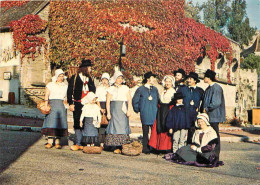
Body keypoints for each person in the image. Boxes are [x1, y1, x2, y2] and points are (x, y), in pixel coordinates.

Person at [67, 59, 96, 151]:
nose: (89, 69)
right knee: (77, 122)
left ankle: (85, 141)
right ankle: (78, 142)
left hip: (87, 104)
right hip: (78, 103)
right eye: (88, 68)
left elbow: (93, 90)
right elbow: (69, 91)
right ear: (83, 68)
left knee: (86, 122)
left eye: (90, 67)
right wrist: (71, 103)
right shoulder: (75, 78)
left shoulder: (90, 78)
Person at [104, 71, 132, 154]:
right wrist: (108, 113)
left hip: (123, 110)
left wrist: (129, 110)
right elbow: (108, 102)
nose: (120, 80)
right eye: (118, 78)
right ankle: (114, 146)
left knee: (123, 126)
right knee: (114, 127)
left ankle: (123, 145)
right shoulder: (111, 89)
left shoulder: (125, 88)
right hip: (114, 110)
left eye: (121, 78)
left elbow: (129, 100)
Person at [200, 69, 225, 159]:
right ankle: (209, 154)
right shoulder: (208, 88)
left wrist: (206, 108)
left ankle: (215, 155)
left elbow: (216, 102)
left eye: (205, 77)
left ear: (209, 78)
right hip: (208, 116)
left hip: (214, 116)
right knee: (208, 136)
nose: (203, 78)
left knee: (214, 136)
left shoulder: (216, 88)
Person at [132, 71, 159, 154]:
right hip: (145, 112)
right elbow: (135, 100)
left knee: (154, 131)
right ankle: (145, 147)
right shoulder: (140, 89)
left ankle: (154, 147)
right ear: (148, 79)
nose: (154, 79)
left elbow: (158, 100)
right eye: (152, 78)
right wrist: (139, 109)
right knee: (145, 131)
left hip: (154, 112)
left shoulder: (155, 89)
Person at [42, 69, 68, 149]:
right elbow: (46, 95)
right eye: (59, 76)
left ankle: (57, 142)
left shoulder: (65, 86)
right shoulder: (50, 85)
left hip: (61, 106)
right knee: (51, 122)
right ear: (56, 76)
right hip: (52, 104)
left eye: (62, 76)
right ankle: (50, 142)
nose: (61, 78)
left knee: (59, 123)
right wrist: (46, 105)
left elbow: (65, 97)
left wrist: (66, 105)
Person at [149, 75, 175, 153]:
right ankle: (159, 147)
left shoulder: (173, 92)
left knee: (166, 127)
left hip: (168, 110)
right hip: (161, 110)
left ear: (172, 83)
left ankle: (166, 147)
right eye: (166, 81)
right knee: (159, 127)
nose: (167, 83)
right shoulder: (163, 91)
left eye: (169, 82)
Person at [186, 72, 204, 144]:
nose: (188, 80)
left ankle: (192, 145)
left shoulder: (200, 91)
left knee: (193, 130)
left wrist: (200, 109)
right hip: (185, 113)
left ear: (195, 80)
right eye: (188, 79)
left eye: (190, 79)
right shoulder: (185, 89)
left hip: (195, 113)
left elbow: (204, 101)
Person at [96, 72, 110, 147]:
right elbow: (97, 99)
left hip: (108, 105)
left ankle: (107, 142)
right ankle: (101, 142)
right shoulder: (99, 88)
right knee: (101, 124)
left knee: (108, 124)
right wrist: (100, 108)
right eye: (103, 79)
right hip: (100, 105)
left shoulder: (110, 88)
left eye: (106, 80)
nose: (104, 81)